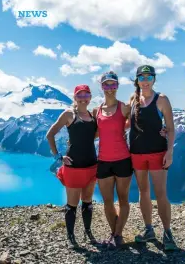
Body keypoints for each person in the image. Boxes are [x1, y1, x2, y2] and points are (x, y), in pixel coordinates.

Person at [129, 65, 178, 251]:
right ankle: (149, 229)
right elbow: (127, 122)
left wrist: (169, 151)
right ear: (137, 80)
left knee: (160, 194)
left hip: (158, 152)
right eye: (142, 77)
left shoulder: (162, 99)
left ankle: (167, 233)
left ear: (154, 80)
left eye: (149, 77)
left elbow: (171, 128)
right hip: (137, 153)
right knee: (143, 192)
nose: (145, 81)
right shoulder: (133, 99)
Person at [46, 84, 98, 249]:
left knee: (88, 201)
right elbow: (50, 134)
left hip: (91, 164)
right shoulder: (69, 114)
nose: (83, 98)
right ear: (75, 98)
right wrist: (58, 157)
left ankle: (88, 231)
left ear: (90, 97)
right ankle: (71, 236)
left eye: (86, 95)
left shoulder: (93, 115)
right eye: (79, 95)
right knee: (72, 204)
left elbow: (95, 134)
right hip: (74, 165)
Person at [92, 71, 133, 249]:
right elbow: (94, 133)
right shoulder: (96, 110)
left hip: (123, 159)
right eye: (106, 85)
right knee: (107, 201)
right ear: (101, 87)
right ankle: (114, 232)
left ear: (117, 86)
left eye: (113, 84)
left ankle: (117, 234)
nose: (110, 88)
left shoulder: (125, 108)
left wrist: (162, 132)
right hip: (103, 161)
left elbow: (139, 124)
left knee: (123, 199)